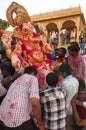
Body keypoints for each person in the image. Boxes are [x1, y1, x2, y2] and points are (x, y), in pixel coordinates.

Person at [1, 2, 53, 92]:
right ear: (19, 30)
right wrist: (8, 48)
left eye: (30, 26)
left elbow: (48, 51)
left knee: (46, 90)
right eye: (25, 28)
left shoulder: (38, 38)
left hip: (45, 69)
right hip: (33, 73)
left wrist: (45, 38)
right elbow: (13, 55)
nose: (29, 29)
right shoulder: (21, 42)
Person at [0, 66, 45, 130]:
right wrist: (40, 124)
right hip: (18, 120)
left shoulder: (16, 80)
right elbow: (34, 102)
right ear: (33, 73)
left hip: (2, 118)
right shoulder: (32, 78)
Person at [58, 63, 79, 130]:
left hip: (68, 109)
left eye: (60, 73)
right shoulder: (76, 80)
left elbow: (63, 96)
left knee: (69, 126)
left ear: (64, 73)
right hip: (75, 108)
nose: (60, 75)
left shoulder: (64, 83)